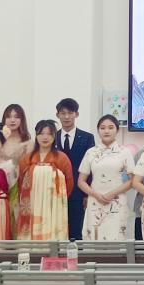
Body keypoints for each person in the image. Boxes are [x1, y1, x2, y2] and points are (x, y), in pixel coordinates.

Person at [77, 115, 135, 240]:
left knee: (116, 237)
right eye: (102, 128)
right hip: (95, 201)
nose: (106, 131)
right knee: (95, 237)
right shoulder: (91, 152)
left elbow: (133, 181)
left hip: (117, 200)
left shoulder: (124, 152)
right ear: (98, 131)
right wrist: (96, 195)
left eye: (110, 127)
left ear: (117, 130)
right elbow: (81, 181)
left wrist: (112, 193)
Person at [17, 120, 74, 241]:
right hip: (32, 205)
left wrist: (57, 200)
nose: (45, 137)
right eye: (41, 133)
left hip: (54, 206)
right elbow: (21, 183)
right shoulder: (27, 159)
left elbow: (69, 183)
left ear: (54, 136)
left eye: (49, 134)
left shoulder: (62, 158)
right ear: (36, 135)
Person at [53, 98, 94, 240]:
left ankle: (76, 254)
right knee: (57, 230)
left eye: (70, 113)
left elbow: (90, 168)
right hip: (55, 192)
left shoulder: (87, 138)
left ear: (76, 114)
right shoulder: (51, 138)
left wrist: (87, 194)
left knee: (76, 231)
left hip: (78, 193)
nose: (66, 117)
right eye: (63, 113)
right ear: (57, 115)